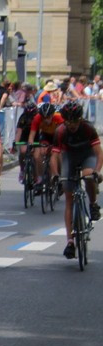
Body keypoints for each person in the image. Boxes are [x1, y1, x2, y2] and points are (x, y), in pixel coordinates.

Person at [50, 101, 103, 259]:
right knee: (69, 198)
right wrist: (55, 175)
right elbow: (54, 155)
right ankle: (70, 242)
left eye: (75, 121)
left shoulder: (88, 128)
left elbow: (99, 153)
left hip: (87, 155)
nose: (72, 125)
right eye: (68, 121)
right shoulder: (60, 131)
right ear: (64, 120)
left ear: (80, 119)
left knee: (88, 177)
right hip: (70, 157)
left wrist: (97, 171)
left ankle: (93, 204)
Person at [27, 101, 64, 192]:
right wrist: (31, 144)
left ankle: (59, 176)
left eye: (48, 117)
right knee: (38, 154)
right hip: (45, 136)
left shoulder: (59, 118)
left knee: (58, 154)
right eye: (44, 118)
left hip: (57, 136)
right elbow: (32, 135)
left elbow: (63, 134)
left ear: (52, 115)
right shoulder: (37, 118)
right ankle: (41, 178)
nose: (46, 120)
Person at [14, 101, 38, 183]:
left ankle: (36, 175)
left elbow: (41, 131)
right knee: (23, 151)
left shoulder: (38, 117)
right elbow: (19, 131)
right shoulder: (23, 118)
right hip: (25, 136)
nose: (30, 117)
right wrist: (16, 142)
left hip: (36, 136)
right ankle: (22, 169)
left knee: (36, 156)